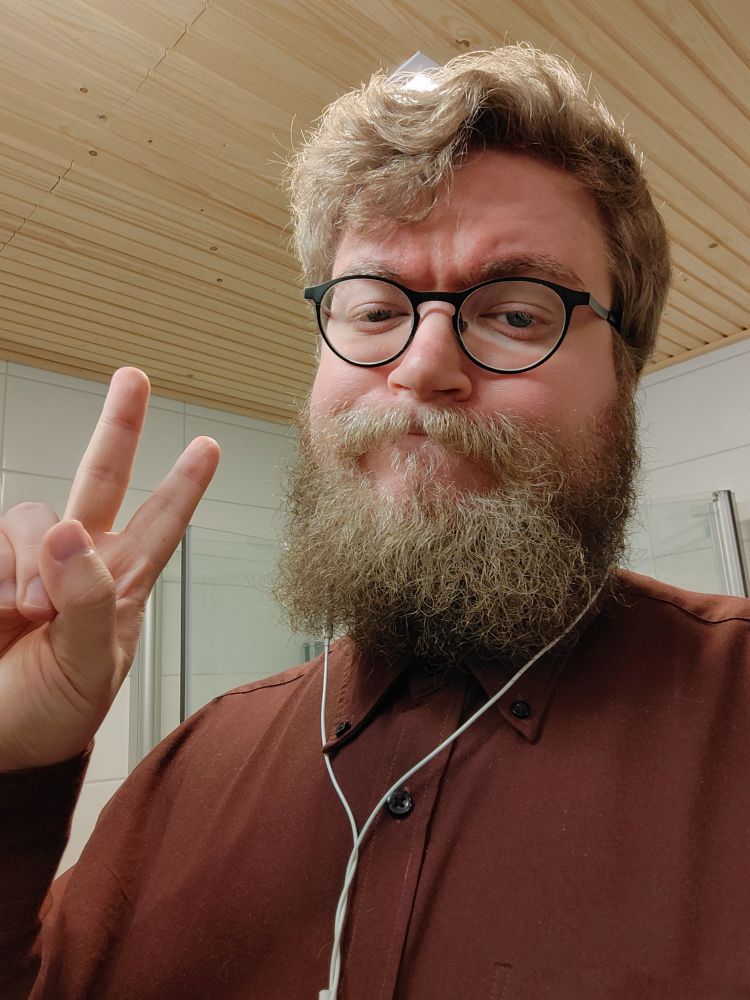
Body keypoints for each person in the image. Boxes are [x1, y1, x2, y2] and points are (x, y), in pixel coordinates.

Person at [1, 44, 749, 1000]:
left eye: (518, 315)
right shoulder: (191, 767)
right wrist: (13, 768)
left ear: (624, 378)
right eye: (374, 310)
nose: (422, 366)